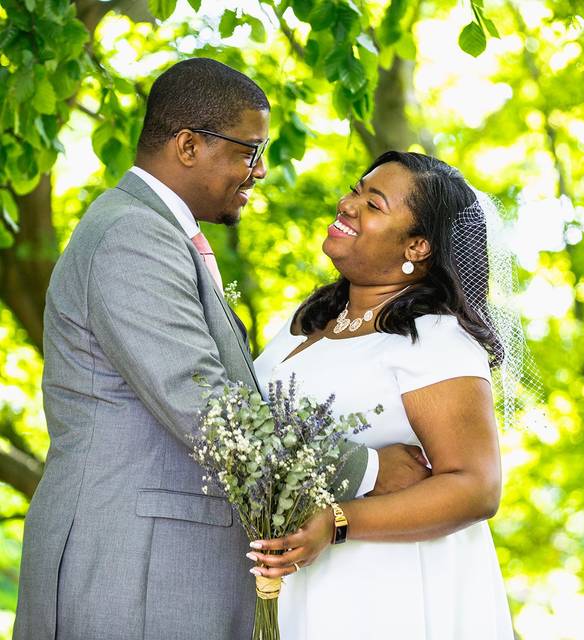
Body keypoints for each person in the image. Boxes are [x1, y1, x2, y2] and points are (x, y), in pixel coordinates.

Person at [15, 58, 426, 640]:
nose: (258, 171)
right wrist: (370, 469)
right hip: (129, 572)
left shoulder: (159, 234)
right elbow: (208, 409)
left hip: (160, 568)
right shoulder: (133, 236)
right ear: (188, 145)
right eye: (249, 152)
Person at [248, 151, 514, 638]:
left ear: (417, 246)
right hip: (299, 583)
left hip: (385, 591)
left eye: (373, 204)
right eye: (356, 189)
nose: (347, 204)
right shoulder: (303, 325)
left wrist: (338, 521)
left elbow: (477, 486)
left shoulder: (434, 339)